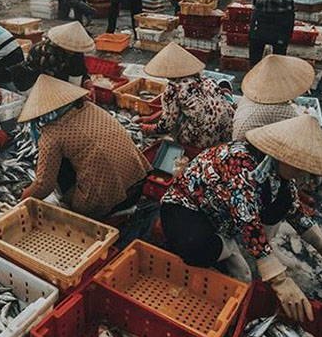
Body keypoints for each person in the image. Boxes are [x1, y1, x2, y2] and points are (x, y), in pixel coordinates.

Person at [161, 115, 322, 322]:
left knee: (282, 203)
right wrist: (280, 281)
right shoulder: (239, 162)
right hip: (187, 206)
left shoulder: (277, 172)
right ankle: (228, 248)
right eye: (299, 166)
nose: (303, 174)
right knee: (196, 247)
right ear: (282, 155)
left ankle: (240, 248)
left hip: (223, 216)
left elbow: (296, 212)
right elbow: (248, 221)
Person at [19, 75, 151, 218]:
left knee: (56, 167)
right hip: (138, 187)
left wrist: (21, 201)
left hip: (109, 204)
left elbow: (44, 185)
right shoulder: (91, 107)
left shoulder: (52, 133)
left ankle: (82, 205)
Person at [141, 43, 234, 149]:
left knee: (175, 127)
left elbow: (166, 126)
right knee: (186, 111)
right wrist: (149, 118)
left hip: (204, 138)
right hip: (227, 130)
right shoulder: (208, 80)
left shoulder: (173, 89)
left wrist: (147, 128)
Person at [233, 55, 313, 141]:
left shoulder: (253, 93)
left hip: (239, 133)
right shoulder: (279, 108)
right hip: (246, 145)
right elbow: (301, 128)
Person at [13, 21, 94, 92]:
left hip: (59, 78)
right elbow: (50, 82)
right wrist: (72, 91)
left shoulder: (75, 49)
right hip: (36, 80)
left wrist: (86, 81)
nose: (74, 52)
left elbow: (80, 69)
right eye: (71, 50)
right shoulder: (47, 54)